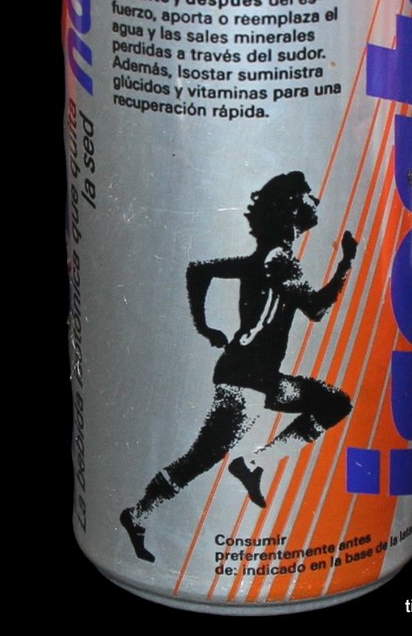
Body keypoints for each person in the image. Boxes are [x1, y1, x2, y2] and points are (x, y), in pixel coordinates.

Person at [121, 171, 357, 563]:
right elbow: (316, 309)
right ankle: (138, 514)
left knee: (335, 402)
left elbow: (198, 270)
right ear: (290, 207)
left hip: (260, 377)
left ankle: (253, 464)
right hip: (245, 380)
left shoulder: (264, 256)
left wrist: (206, 327)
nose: (315, 201)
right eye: (307, 196)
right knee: (201, 458)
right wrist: (346, 262)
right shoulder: (279, 259)